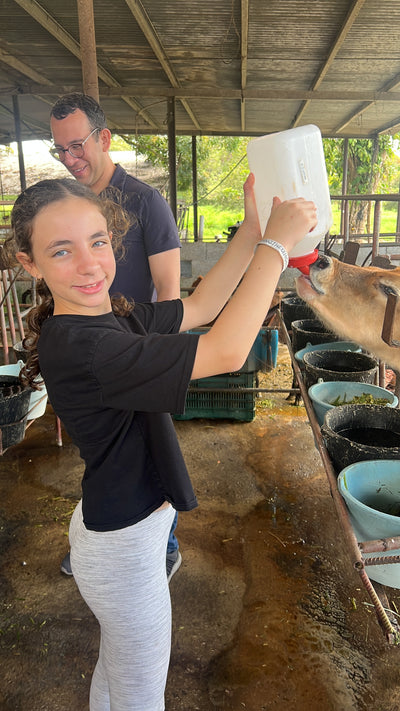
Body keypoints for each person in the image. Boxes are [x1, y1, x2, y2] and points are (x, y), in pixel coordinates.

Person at [11, 175, 316, 710]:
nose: (89, 264)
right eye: (62, 250)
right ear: (29, 263)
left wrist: (251, 231)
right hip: (122, 552)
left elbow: (199, 309)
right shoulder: (90, 348)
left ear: (113, 240)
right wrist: (276, 248)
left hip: (117, 532)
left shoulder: (109, 319)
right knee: (140, 696)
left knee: (118, 676)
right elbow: (224, 352)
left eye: (98, 241)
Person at [49, 92, 182, 580]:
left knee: (154, 450)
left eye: (77, 145)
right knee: (101, 452)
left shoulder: (145, 202)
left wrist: (159, 360)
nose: (70, 158)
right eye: (60, 149)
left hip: (134, 345)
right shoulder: (70, 202)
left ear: (104, 138)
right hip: (89, 351)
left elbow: (169, 292)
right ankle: (102, 533)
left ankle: (164, 545)